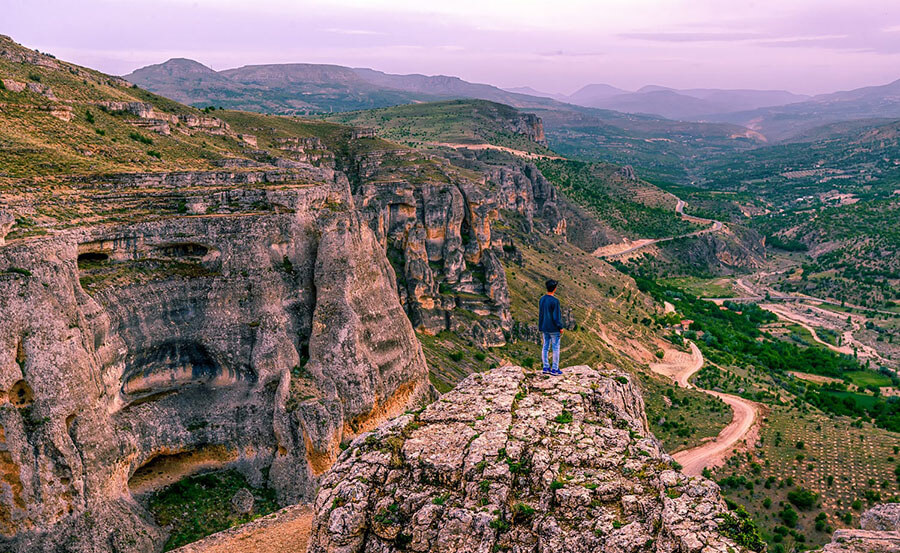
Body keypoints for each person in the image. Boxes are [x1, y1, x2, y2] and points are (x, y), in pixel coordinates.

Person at [538, 279, 564, 376]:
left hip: (545, 327)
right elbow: (556, 317)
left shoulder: (542, 299)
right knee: (555, 347)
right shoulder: (555, 301)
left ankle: (545, 367)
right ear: (555, 289)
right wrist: (560, 327)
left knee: (545, 347)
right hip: (553, 328)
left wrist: (540, 326)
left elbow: (541, 314)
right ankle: (555, 369)